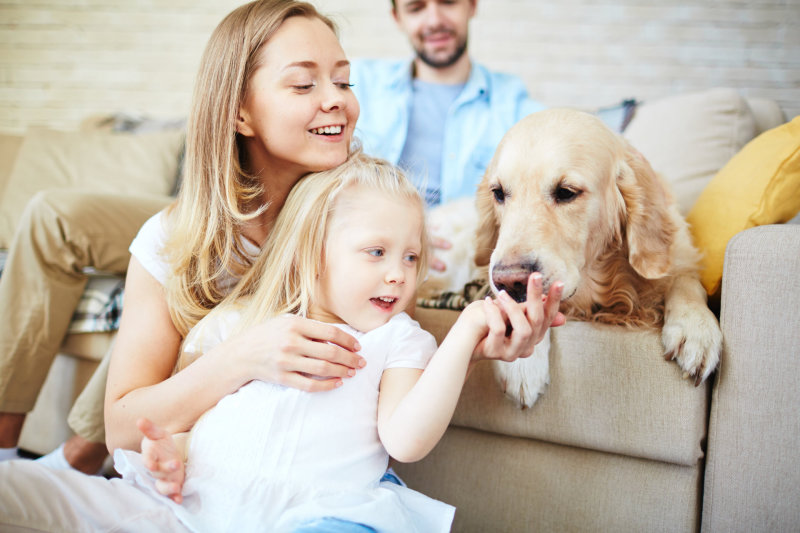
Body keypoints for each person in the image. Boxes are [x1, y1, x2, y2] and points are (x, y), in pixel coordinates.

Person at [0, 0, 545, 473]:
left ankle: (73, 459)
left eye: (344, 81)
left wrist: (470, 341)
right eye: (306, 84)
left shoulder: (354, 229)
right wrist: (242, 356)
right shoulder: (175, 238)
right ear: (239, 112)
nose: (336, 99)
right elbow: (125, 423)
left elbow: (392, 333)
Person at [0, 149, 562, 532]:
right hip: (185, 512)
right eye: (375, 252)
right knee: (18, 491)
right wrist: (169, 455)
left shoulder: (398, 340)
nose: (398, 274)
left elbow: (408, 439)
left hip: (311, 517)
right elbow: (193, 427)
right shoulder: (238, 323)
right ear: (311, 251)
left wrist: (465, 333)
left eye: (411, 257)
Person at [351, 0, 545, 207]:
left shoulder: (512, 103)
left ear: (471, 5)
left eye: (448, 2)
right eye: (416, 8)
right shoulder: (358, 84)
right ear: (398, 18)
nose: (435, 21)